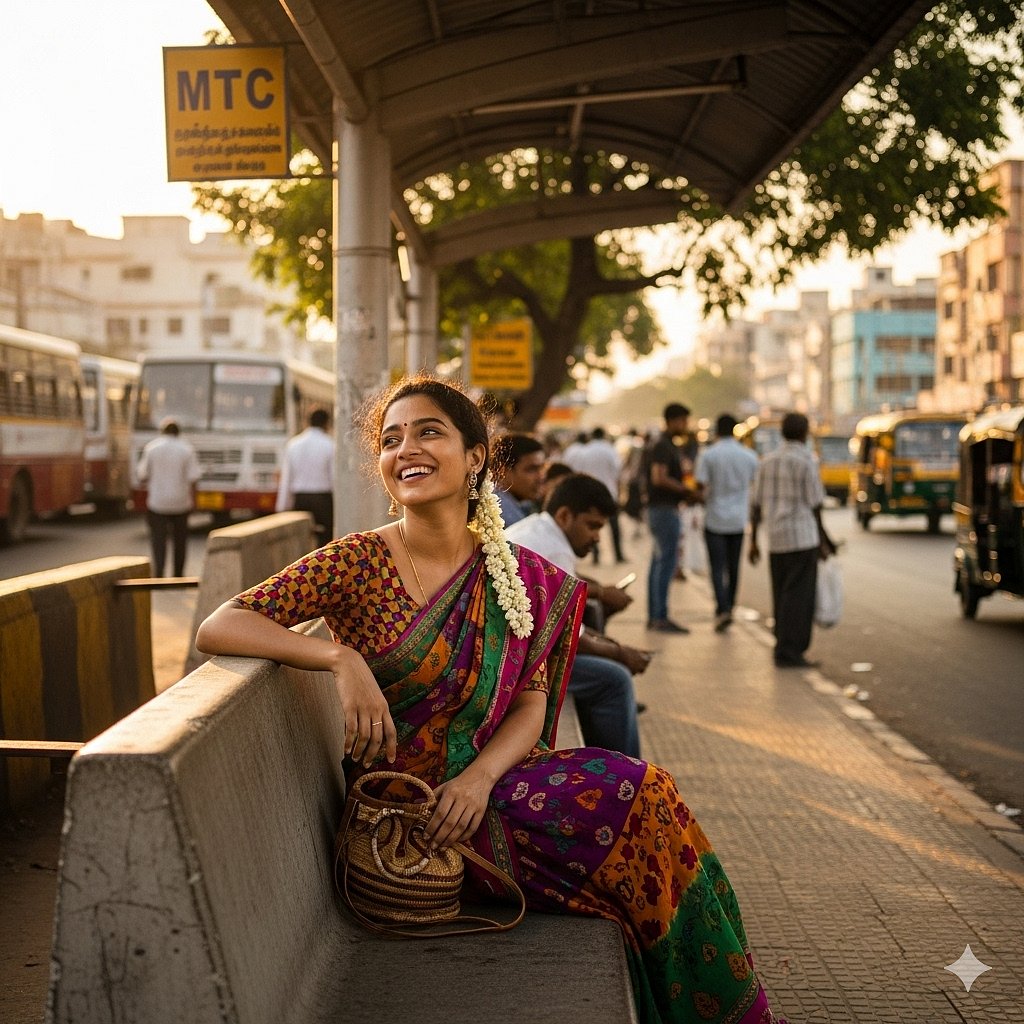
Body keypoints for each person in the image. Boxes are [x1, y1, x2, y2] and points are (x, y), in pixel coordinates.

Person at [195, 374, 788, 1024]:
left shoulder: (516, 572)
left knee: (650, 800)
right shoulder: (356, 563)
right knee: (638, 810)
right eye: (391, 440)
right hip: (413, 823)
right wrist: (340, 657)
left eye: (428, 432)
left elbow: (532, 702)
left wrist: (478, 779)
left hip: (486, 793)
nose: (405, 449)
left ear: (475, 456)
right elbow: (222, 622)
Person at [506, 473, 650, 757]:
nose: (597, 537)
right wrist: (620, 653)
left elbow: (570, 621)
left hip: (523, 648)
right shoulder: (553, 548)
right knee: (615, 679)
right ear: (564, 515)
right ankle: (626, 775)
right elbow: (570, 637)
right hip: (518, 662)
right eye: (592, 526)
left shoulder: (540, 529)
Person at [748, 411, 837, 668]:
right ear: (804, 432)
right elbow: (815, 504)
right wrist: (823, 540)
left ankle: (782, 646)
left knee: (781, 594)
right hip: (802, 538)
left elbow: (755, 505)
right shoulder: (806, 461)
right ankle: (791, 651)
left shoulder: (767, 461)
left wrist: (753, 540)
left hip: (775, 539)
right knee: (799, 598)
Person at [695, 414, 760, 632]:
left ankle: (722, 608)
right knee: (733, 567)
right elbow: (755, 488)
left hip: (714, 518)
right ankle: (729, 607)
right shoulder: (749, 456)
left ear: (716, 430)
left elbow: (700, 487)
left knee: (717, 567)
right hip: (738, 520)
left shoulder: (708, 455)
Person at [644, 403, 693, 633]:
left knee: (659, 562)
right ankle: (660, 617)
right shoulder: (663, 445)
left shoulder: (664, 444)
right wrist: (685, 490)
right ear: (673, 421)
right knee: (665, 563)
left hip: (660, 509)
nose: (685, 426)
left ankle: (655, 615)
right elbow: (659, 478)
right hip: (663, 509)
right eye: (683, 421)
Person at [136, 418, 201, 577]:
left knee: (158, 540)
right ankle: (178, 574)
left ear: (162, 432)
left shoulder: (151, 448)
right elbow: (193, 478)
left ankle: (159, 573)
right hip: (181, 502)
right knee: (180, 541)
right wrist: (194, 501)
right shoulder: (187, 449)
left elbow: (142, 475)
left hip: (157, 503)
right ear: (178, 433)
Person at [564, 427, 625, 563]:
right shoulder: (610, 450)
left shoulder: (585, 451)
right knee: (614, 527)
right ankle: (618, 555)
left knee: (591, 526)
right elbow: (618, 473)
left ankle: (596, 556)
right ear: (603, 435)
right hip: (609, 494)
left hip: (589, 495)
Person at [276, 407, 335, 540]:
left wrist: (282, 507)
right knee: (323, 542)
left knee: (301, 540)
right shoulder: (330, 445)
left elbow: (287, 479)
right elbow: (334, 479)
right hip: (323, 500)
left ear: (307, 422)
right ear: (326, 423)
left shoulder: (293, 444)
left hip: (300, 499)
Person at [491, 431, 545, 525]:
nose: (541, 477)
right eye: (532, 469)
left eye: (542, 469)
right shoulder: (499, 516)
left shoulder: (524, 505)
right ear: (503, 471)